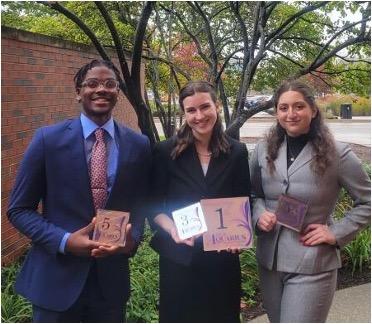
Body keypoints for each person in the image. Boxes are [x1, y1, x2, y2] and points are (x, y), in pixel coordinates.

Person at [7, 59, 151, 322]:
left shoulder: (138, 145)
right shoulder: (47, 140)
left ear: (118, 92)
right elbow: (19, 209)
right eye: (92, 83)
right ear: (78, 92)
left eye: (110, 84)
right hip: (56, 283)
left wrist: (131, 240)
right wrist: (65, 241)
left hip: (110, 286)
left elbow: (139, 206)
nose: (101, 89)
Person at [249, 80, 371, 322]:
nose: (291, 114)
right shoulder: (263, 149)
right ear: (276, 111)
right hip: (269, 263)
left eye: (299, 106)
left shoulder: (339, 154)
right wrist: (259, 214)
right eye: (283, 108)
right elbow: (254, 195)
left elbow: (368, 201)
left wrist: (335, 233)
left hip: (312, 263)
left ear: (313, 110)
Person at [148, 81, 251, 322]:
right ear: (183, 114)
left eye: (205, 107)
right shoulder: (165, 152)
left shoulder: (236, 152)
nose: (199, 116)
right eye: (191, 110)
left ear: (216, 106)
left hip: (222, 259)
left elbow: (243, 201)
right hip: (179, 257)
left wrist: (240, 235)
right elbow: (152, 205)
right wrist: (171, 228)